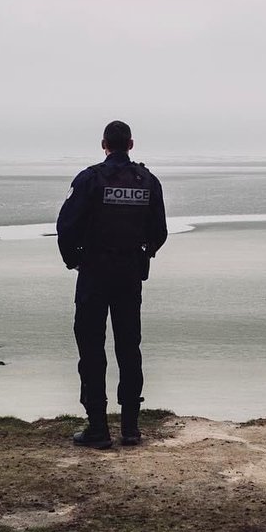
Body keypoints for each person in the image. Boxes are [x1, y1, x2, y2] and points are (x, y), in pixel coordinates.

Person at [56, 120, 168, 448]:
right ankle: (131, 429)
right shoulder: (147, 180)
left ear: (103, 144)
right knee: (129, 348)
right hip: (130, 273)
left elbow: (66, 226)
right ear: (130, 144)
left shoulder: (90, 178)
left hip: (93, 273)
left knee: (91, 349)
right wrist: (144, 253)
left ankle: (98, 429)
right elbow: (159, 231)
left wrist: (72, 259)